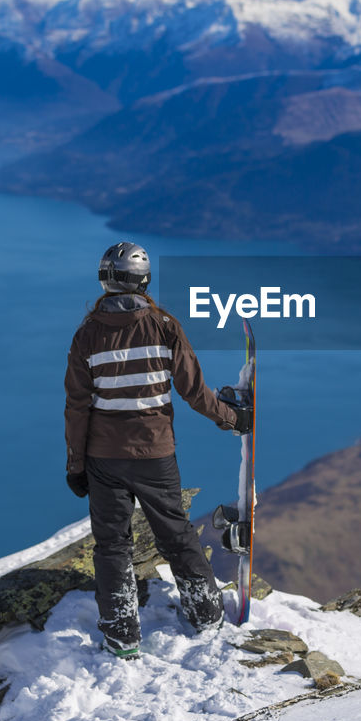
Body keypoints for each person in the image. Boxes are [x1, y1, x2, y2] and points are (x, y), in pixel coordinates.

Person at [64, 242, 252, 658]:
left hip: (103, 459)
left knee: (112, 545)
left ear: (105, 279)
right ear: (144, 279)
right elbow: (194, 392)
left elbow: (77, 407)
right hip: (154, 454)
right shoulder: (164, 325)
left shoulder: (86, 334)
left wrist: (76, 465)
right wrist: (232, 418)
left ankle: (121, 634)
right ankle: (206, 614)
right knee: (175, 533)